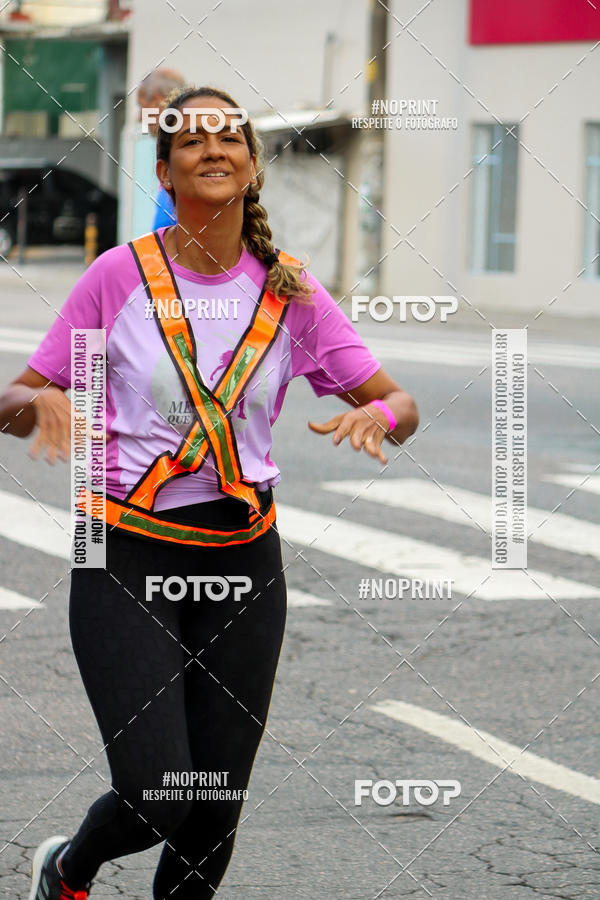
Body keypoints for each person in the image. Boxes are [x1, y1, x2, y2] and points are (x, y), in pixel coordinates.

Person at [1, 85, 419, 899]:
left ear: (253, 165)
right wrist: (38, 399)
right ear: (166, 169)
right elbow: (10, 403)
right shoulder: (115, 277)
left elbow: (397, 402)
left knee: (215, 802)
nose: (214, 149)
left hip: (243, 559)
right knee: (160, 790)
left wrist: (381, 418)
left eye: (230, 137)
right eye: (193, 141)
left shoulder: (291, 291)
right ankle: (68, 868)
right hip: (122, 548)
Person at [137, 68, 186, 229]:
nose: (139, 117)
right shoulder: (173, 155)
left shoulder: (186, 158)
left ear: (158, 102)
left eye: (141, 107)